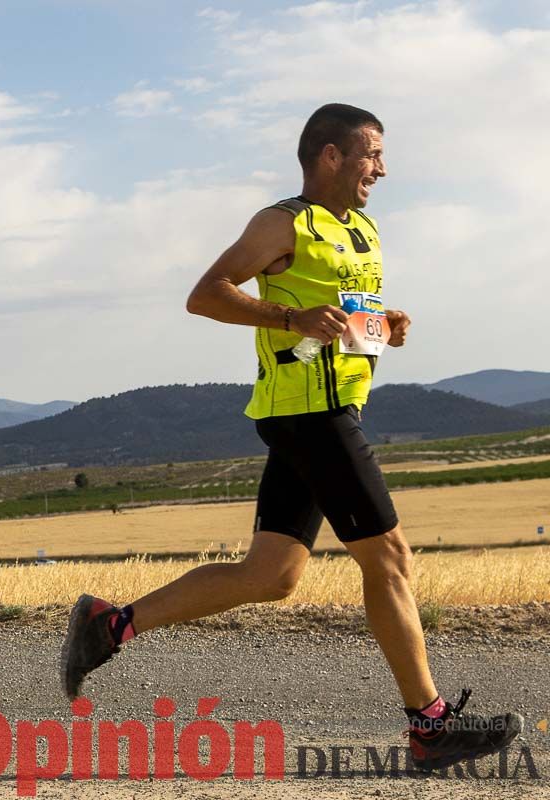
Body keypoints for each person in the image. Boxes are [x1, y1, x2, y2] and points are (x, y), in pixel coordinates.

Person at [59, 103, 522, 772]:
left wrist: (382, 325)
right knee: (388, 557)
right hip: (309, 414)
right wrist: (290, 316)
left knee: (271, 575)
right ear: (330, 156)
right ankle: (429, 725)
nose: (383, 169)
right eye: (371, 155)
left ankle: (109, 625)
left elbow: (342, 313)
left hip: (334, 408)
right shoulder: (283, 222)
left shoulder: (361, 229)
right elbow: (206, 292)